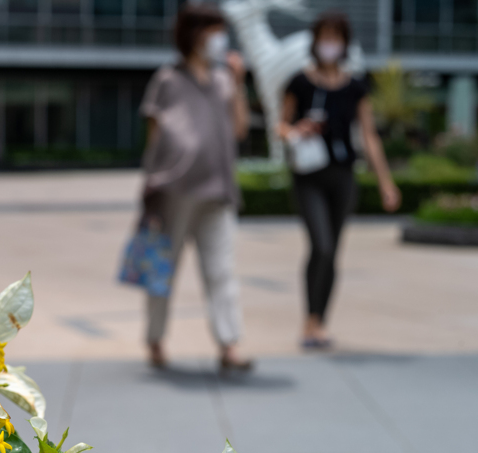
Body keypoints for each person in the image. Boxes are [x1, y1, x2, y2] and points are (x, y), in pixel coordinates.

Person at [140, 3, 252, 372]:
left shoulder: (223, 80)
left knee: (222, 270)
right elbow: (154, 134)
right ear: (193, 33)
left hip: (217, 190)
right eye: (213, 30)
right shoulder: (168, 79)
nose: (220, 39)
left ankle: (229, 344)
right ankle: (155, 339)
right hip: (175, 190)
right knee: (163, 269)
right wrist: (151, 184)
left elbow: (239, 129)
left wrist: (238, 82)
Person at [279, 12, 400, 349]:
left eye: (336, 37)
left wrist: (385, 182)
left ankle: (319, 322)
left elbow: (369, 136)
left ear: (345, 43)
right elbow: (280, 126)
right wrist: (297, 130)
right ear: (315, 41)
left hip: (343, 175)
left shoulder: (356, 86)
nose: (329, 44)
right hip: (308, 176)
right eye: (324, 37)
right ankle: (309, 319)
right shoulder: (299, 82)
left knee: (332, 252)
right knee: (321, 245)